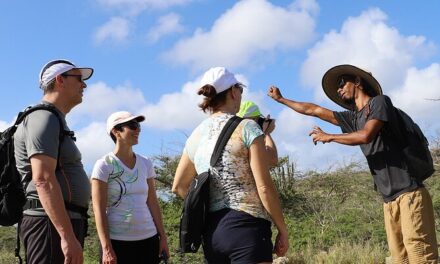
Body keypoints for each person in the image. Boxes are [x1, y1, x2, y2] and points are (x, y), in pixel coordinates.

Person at [268, 64, 438, 263]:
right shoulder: (354, 118)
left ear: (358, 82)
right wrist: (281, 99)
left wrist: (329, 137)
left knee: (421, 257)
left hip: (409, 194)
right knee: (399, 260)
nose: (339, 90)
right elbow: (314, 109)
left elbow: (366, 135)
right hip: (389, 200)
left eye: (341, 83)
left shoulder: (380, 103)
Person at [172, 67, 289, 264]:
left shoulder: (195, 136)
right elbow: (264, 187)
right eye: (240, 90)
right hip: (247, 228)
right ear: (233, 92)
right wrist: (282, 229)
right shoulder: (247, 127)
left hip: (212, 233)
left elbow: (179, 187)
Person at [14, 59, 94, 264]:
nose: (84, 85)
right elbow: (43, 179)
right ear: (60, 80)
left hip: (59, 222)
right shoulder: (43, 117)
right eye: (79, 79)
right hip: (48, 224)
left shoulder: (54, 119)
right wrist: (67, 237)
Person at [91, 111, 169, 264]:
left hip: (149, 240)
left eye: (138, 125)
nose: (138, 130)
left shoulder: (145, 163)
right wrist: (106, 248)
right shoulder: (104, 165)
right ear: (116, 131)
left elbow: (153, 202)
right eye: (132, 126)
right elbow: (98, 210)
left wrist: (163, 238)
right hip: (117, 242)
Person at [237, 100, 278, 167]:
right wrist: (267, 133)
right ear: (253, 120)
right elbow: (272, 160)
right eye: (258, 119)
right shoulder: (249, 136)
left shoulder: (232, 133)